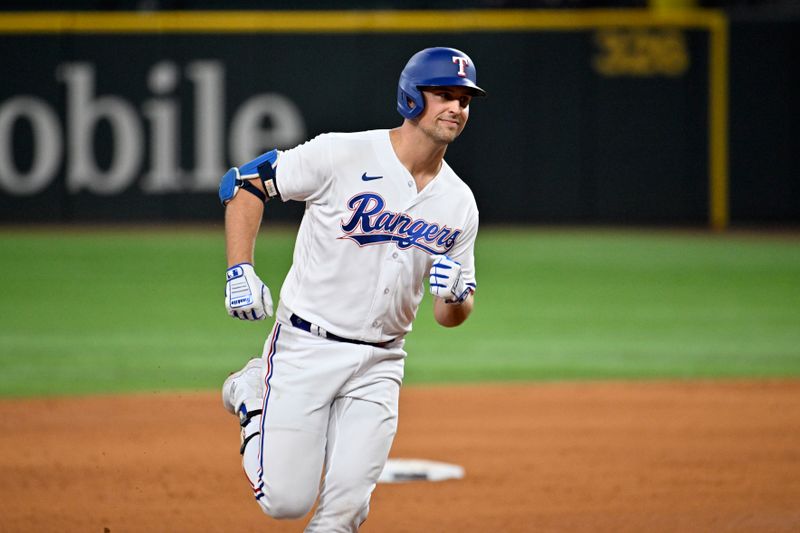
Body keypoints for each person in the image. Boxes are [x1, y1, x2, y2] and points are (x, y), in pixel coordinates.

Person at [219, 46, 485, 532]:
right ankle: (253, 394)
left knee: (344, 512)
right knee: (284, 501)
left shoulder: (459, 203)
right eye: (444, 95)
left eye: (465, 100)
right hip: (306, 346)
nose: (456, 108)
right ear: (411, 98)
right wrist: (240, 269)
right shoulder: (343, 154)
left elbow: (451, 316)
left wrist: (456, 296)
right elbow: (245, 183)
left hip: (381, 363)